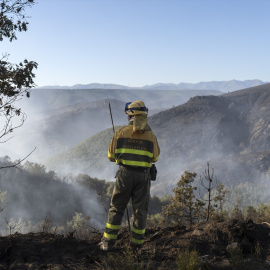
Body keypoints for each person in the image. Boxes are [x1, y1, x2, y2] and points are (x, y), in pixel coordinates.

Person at [99, 100, 160, 251]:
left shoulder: (120, 133)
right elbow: (155, 158)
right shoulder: (151, 135)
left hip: (124, 174)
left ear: (130, 116)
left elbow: (111, 156)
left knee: (116, 208)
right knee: (140, 212)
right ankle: (136, 246)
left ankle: (107, 243)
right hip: (143, 176)